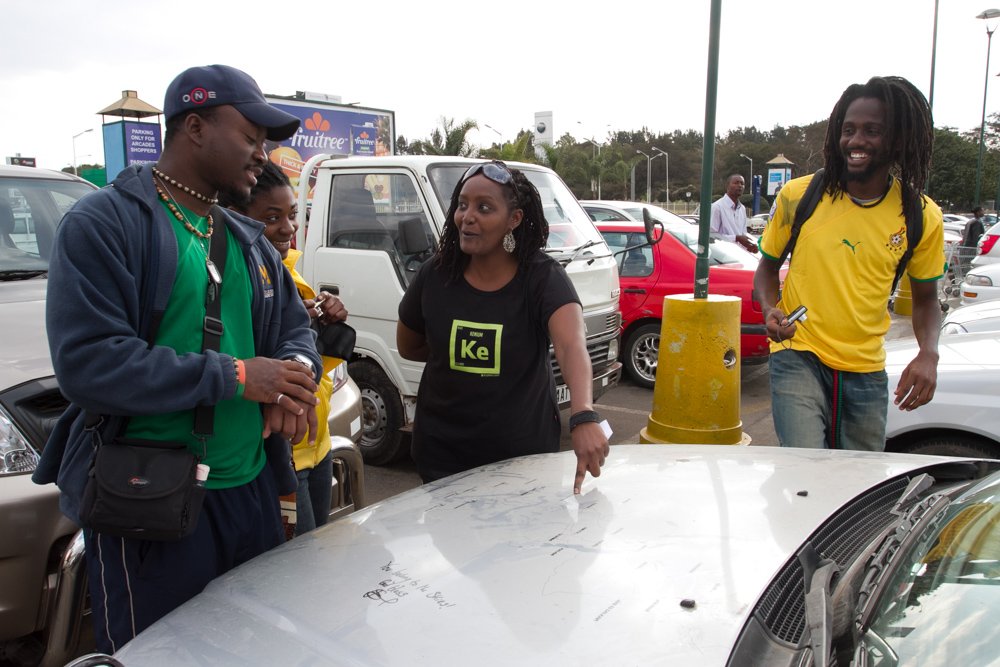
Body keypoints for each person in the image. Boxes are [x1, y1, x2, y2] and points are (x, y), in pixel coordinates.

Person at [33, 64, 322, 653]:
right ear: (195, 127)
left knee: (258, 650)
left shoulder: (245, 240)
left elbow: (296, 329)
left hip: (251, 493)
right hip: (149, 503)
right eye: (250, 136)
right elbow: (90, 365)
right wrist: (240, 376)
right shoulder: (105, 224)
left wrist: (295, 381)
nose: (260, 154)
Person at [753, 75, 944, 451]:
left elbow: (926, 300)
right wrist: (769, 308)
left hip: (866, 371)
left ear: (898, 140)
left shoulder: (921, 216)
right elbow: (767, 268)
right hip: (797, 356)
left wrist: (928, 354)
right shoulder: (799, 195)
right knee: (805, 472)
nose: (856, 141)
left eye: (872, 131)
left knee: (858, 485)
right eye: (849, 130)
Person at [396, 160, 609, 494]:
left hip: (523, 460)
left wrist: (583, 414)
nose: (467, 216)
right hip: (443, 457)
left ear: (514, 219)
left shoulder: (543, 278)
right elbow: (409, 345)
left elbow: (571, 346)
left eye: (484, 208)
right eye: (462, 205)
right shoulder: (434, 274)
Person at [222, 161, 349, 535]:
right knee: (296, 565)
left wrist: (322, 328)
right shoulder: (238, 281)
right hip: (282, 456)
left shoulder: (290, 271)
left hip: (317, 446)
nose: (288, 228)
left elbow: (312, 367)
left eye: (292, 215)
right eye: (272, 217)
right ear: (239, 220)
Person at [710, 173, 758, 252]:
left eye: (742, 183)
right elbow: (712, 235)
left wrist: (750, 245)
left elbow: (743, 234)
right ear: (727, 186)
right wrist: (736, 238)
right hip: (722, 255)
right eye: (736, 183)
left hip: (738, 255)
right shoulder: (717, 207)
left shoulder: (742, 208)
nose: (740, 186)